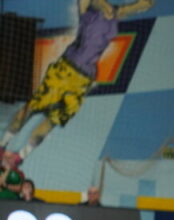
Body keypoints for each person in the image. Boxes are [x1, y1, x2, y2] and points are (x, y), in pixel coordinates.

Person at [0, 0, 155, 162]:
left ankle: (21, 156)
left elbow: (143, 5)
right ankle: (3, 146)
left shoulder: (114, 15)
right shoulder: (88, 10)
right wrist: (104, 6)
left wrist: (129, 7)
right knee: (29, 109)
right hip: (65, 70)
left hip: (83, 81)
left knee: (52, 121)